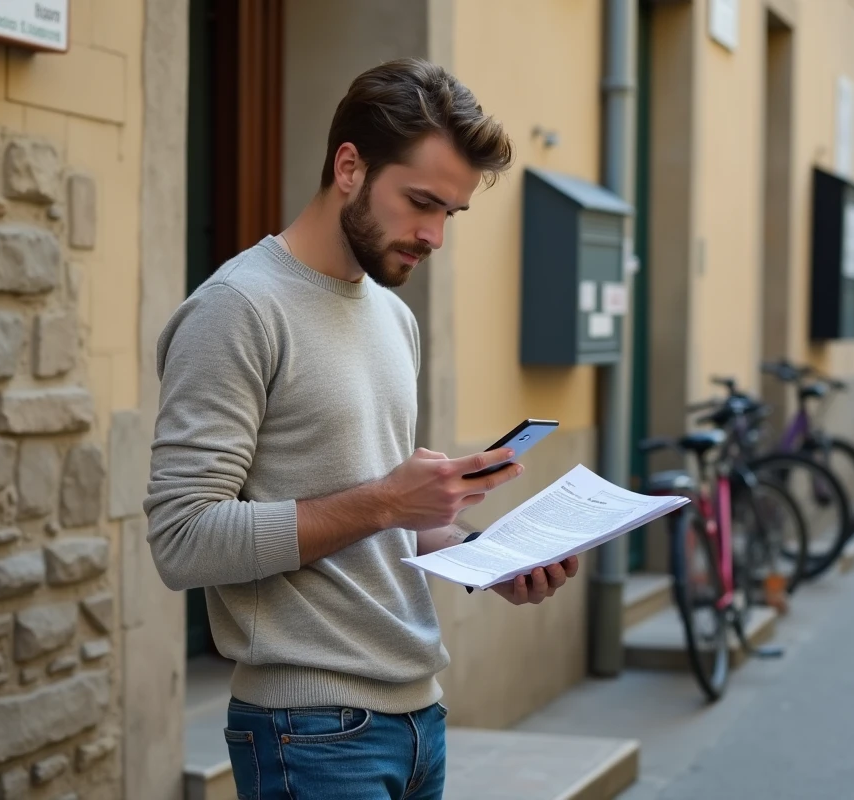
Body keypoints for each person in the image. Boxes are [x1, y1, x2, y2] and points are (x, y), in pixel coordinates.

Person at [144, 57, 580, 800]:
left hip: (418, 719)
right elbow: (182, 540)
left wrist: (484, 556)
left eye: (451, 213)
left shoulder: (392, 317)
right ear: (349, 166)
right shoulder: (239, 309)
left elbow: (379, 527)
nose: (435, 235)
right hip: (308, 734)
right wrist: (386, 501)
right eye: (421, 202)